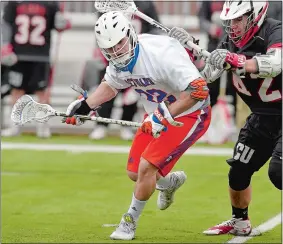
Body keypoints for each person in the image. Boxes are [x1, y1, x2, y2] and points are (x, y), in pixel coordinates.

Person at [63, 11, 211, 240]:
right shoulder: (117, 60)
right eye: (109, 48)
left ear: (130, 34)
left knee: (146, 168)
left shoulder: (161, 53)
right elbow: (111, 84)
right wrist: (85, 106)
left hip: (190, 113)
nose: (116, 52)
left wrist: (162, 115)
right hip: (157, 114)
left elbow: (199, 90)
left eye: (119, 44)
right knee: (134, 173)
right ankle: (170, 182)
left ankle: (129, 222)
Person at [169, 0, 282, 236]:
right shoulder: (231, 40)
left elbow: (275, 64)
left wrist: (237, 60)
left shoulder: (274, 30)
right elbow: (206, 75)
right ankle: (240, 222)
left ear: (256, 14)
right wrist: (186, 51)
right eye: (230, 20)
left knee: (279, 172)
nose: (233, 26)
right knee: (239, 170)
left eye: (238, 19)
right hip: (262, 116)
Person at [82, 1, 162, 141]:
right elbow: (101, 29)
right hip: (112, 54)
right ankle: (101, 125)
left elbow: (154, 27)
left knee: (132, 94)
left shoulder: (145, 4)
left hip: (137, 55)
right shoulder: (112, 3)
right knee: (107, 88)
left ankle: (126, 125)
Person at [1, 1, 70, 138]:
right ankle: (15, 125)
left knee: (42, 93)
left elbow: (59, 26)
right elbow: (6, 26)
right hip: (18, 55)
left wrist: (63, 23)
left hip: (41, 56)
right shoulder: (14, 3)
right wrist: (5, 47)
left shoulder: (50, 4)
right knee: (17, 91)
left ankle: (43, 125)